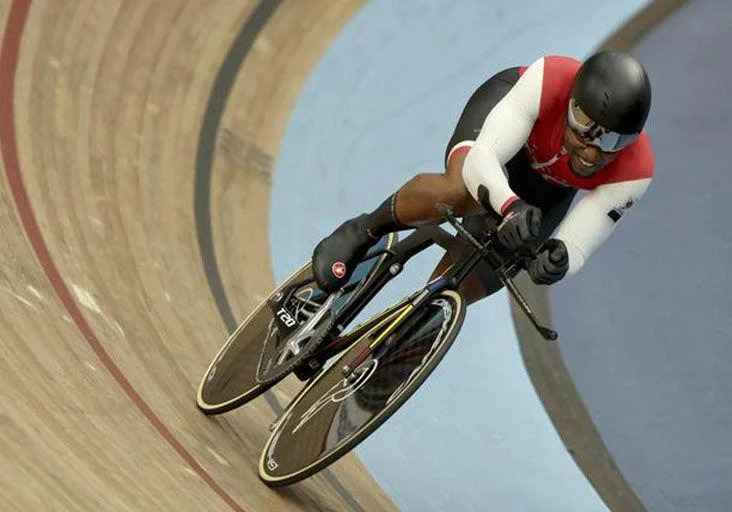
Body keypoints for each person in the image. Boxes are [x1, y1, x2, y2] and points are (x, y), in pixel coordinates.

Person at [311, 50, 654, 304]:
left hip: (544, 191)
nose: (592, 152)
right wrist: (509, 205)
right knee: (462, 191)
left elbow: (583, 236)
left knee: (463, 288)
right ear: (570, 105)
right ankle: (364, 229)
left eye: (612, 141)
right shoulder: (547, 79)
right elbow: (483, 158)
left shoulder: (635, 171)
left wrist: (560, 259)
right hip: (499, 139)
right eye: (585, 131)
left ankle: (402, 343)